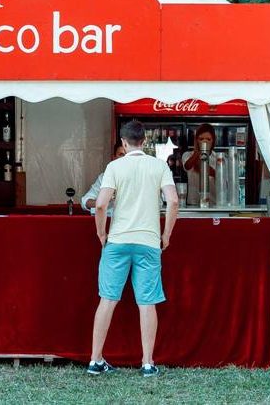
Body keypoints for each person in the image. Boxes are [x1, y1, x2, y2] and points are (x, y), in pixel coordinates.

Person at [87, 120, 178, 377]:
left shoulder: (114, 167)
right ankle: (147, 363)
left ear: (124, 143)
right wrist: (166, 234)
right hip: (148, 241)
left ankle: (95, 360)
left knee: (107, 299)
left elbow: (101, 204)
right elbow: (173, 201)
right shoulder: (159, 166)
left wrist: (101, 232)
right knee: (147, 302)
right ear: (145, 141)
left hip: (117, 240)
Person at [81, 141, 126, 211]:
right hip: (109, 217)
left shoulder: (140, 176)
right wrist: (103, 201)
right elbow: (85, 201)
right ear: (114, 157)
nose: (125, 158)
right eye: (121, 154)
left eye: (128, 155)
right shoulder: (105, 177)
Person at [182, 123, 217, 206]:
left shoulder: (217, 158)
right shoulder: (187, 155)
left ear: (213, 141)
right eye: (201, 139)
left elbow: (222, 180)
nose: (205, 142)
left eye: (208, 139)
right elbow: (187, 166)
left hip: (213, 203)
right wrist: (198, 151)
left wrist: (213, 172)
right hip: (193, 203)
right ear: (196, 140)